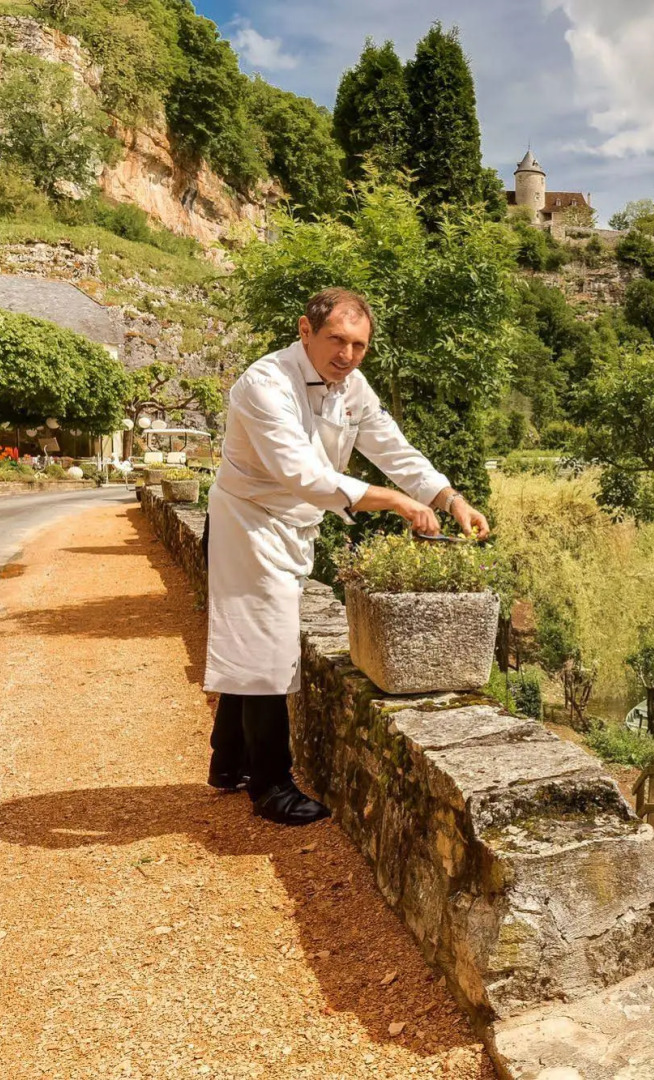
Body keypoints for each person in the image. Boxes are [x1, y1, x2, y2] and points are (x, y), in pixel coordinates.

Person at [203, 288, 490, 825]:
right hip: (248, 522)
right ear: (305, 331)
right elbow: (302, 475)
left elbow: (391, 447)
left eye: (359, 345)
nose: (348, 355)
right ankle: (270, 785)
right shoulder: (264, 384)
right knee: (269, 651)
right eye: (337, 340)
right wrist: (395, 502)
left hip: (290, 525)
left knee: (255, 640)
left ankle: (228, 763)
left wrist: (448, 499)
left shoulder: (352, 386)